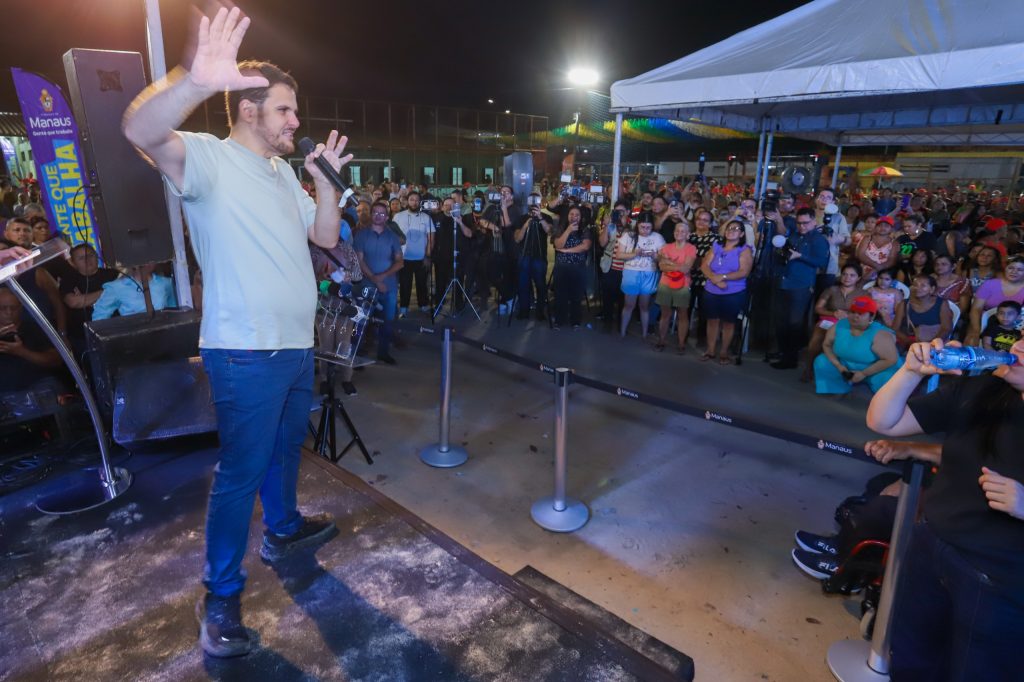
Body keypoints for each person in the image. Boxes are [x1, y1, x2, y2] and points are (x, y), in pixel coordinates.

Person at [122, 7, 350, 658]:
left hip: (295, 347)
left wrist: (325, 185)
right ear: (249, 111)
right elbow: (139, 128)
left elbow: (324, 236)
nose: (296, 122)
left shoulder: (281, 175)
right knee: (240, 474)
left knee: (284, 452)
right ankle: (220, 597)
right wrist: (196, 82)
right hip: (245, 351)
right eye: (285, 110)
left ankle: (283, 530)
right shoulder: (208, 160)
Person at [865, 337, 1024, 680]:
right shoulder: (982, 389)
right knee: (912, 659)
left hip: (999, 577)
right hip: (932, 545)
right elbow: (883, 422)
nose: (1019, 348)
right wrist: (910, 372)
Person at [772, 207, 830, 370]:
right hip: (784, 281)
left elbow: (822, 262)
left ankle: (791, 358)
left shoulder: (818, 239)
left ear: (814, 222)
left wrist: (801, 256)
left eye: (805, 223)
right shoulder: (794, 235)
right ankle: (783, 352)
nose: (802, 226)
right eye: (799, 223)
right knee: (781, 320)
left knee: (794, 322)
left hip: (801, 284)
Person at [814, 296, 901, 396]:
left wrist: (864, 373)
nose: (855, 316)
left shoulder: (880, 334)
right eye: (852, 312)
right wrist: (839, 366)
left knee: (888, 379)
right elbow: (827, 345)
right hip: (845, 365)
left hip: (876, 369)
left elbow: (890, 360)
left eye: (860, 313)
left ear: (871, 317)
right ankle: (836, 388)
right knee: (822, 361)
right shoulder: (839, 325)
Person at [354, 200, 403, 364]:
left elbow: (399, 262)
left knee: (387, 321)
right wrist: (375, 279)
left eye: (382, 213)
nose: (378, 216)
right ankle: (356, 355)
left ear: (387, 217)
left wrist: (382, 277)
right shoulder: (361, 235)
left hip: (388, 287)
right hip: (366, 286)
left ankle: (383, 352)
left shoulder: (392, 237)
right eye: (375, 212)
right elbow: (359, 260)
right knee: (361, 321)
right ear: (371, 214)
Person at [699, 218, 753, 364]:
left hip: (733, 291)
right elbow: (704, 265)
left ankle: (723, 352)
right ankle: (710, 350)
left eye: (736, 229)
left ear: (742, 234)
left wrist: (723, 277)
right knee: (712, 320)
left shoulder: (744, 249)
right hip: (711, 290)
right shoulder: (717, 246)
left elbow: (744, 271)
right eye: (729, 228)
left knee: (728, 322)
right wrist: (714, 279)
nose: (731, 230)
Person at [801, 263, 863, 383]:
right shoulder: (832, 290)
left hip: (851, 322)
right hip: (829, 320)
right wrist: (833, 313)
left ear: (858, 278)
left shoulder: (862, 294)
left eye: (852, 275)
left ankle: (843, 373)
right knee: (818, 336)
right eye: (844, 274)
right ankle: (809, 368)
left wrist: (849, 315)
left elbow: (865, 313)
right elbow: (818, 308)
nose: (847, 278)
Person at [59, 243, 119, 353]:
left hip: (115, 331)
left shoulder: (112, 275)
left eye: (90, 255)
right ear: (73, 262)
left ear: (97, 256)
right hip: (83, 338)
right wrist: (110, 291)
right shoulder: (69, 279)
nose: (87, 260)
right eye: (81, 258)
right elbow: (73, 302)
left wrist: (84, 299)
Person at [616, 211, 664, 339]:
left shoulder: (657, 237)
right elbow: (619, 255)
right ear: (637, 225)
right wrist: (634, 253)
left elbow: (662, 258)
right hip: (631, 272)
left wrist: (654, 255)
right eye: (642, 227)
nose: (645, 230)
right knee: (629, 305)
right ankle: (622, 332)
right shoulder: (628, 236)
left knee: (644, 306)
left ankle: (644, 334)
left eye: (648, 227)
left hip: (649, 273)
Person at [654, 221, 697, 352]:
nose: (679, 233)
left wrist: (669, 262)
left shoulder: (691, 248)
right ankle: (661, 340)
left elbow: (686, 268)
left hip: (683, 284)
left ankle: (681, 343)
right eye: (677, 230)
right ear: (673, 233)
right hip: (665, 283)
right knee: (665, 313)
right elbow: (662, 266)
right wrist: (677, 266)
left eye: (683, 231)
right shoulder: (666, 247)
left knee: (682, 314)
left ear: (688, 234)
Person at [391, 191, 434, 317]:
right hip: (403, 258)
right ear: (407, 201)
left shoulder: (426, 217)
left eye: (416, 200)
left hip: (421, 257)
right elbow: (393, 237)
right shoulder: (398, 217)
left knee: (422, 283)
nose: (414, 202)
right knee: (405, 284)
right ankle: (404, 307)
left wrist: (427, 256)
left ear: (420, 202)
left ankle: (423, 305)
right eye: (411, 199)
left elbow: (431, 238)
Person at [967, 256, 1024, 344]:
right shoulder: (990, 284)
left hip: (1014, 326)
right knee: (972, 337)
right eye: (1011, 268)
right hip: (984, 322)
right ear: (1005, 269)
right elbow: (976, 309)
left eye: (1019, 270)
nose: (1014, 272)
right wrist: (977, 330)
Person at [551, 205, 592, 330]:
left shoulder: (584, 229)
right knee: (560, 295)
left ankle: (575, 321)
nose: (574, 217)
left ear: (581, 217)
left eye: (577, 215)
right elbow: (558, 245)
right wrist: (568, 231)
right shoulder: (561, 228)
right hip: (561, 267)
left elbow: (585, 246)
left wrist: (566, 251)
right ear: (567, 216)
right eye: (572, 214)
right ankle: (559, 320)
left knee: (576, 296)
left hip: (578, 267)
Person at [513, 194, 552, 321]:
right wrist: (526, 224)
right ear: (528, 203)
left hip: (539, 256)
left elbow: (549, 231)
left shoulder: (546, 217)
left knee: (540, 285)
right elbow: (517, 239)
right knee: (523, 285)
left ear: (541, 203)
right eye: (531, 201)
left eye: (536, 201)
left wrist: (540, 217)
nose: (534, 204)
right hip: (524, 255)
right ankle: (524, 310)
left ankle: (540, 311)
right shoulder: (522, 218)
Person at [897, 274, 953, 349]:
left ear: (932, 289)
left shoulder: (942, 304)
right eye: (915, 285)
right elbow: (895, 329)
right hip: (912, 344)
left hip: (936, 345)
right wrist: (910, 342)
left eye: (923, 285)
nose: (917, 288)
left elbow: (946, 328)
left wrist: (931, 344)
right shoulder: (904, 304)